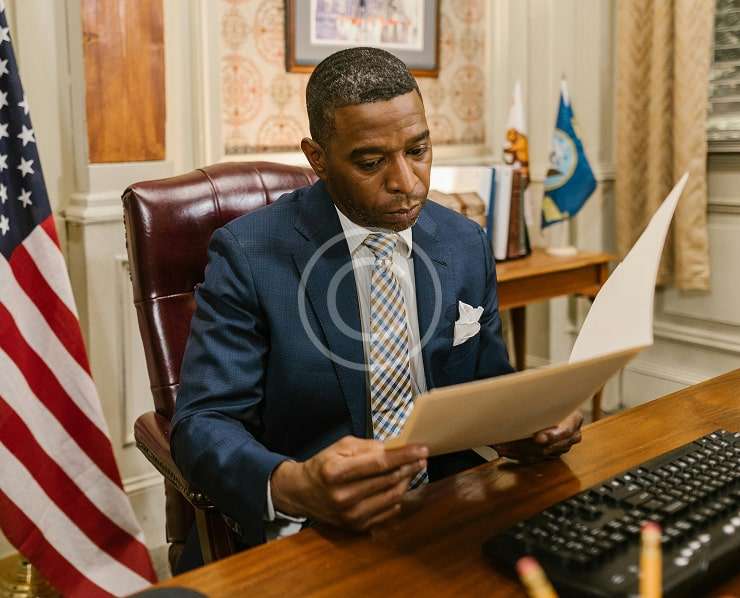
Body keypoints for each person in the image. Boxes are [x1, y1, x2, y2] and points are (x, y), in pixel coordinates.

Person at [171, 47, 582, 570]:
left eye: (418, 150)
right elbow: (203, 422)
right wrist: (293, 485)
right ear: (318, 158)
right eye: (371, 163)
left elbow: (487, 380)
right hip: (313, 533)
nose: (407, 182)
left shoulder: (464, 242)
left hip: (446, 507)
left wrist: (527, 422)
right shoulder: (249, 254)